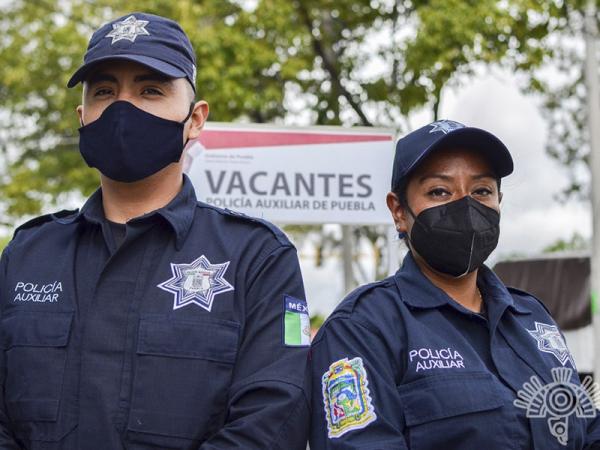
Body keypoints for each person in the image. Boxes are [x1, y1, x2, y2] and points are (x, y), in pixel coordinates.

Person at [0, 12, 310, 449]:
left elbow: (272, 421)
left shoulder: (257, 258)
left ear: (195, 119)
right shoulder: (28, 255)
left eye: (150, 90)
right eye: (104, 92)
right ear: (82, 116)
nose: (122, 108)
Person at [309, 119, 600, 449]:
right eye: (439, 191)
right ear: (399, 211)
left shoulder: (532, 318)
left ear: (499, 201)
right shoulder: (362, 329)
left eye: (482, 191)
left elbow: (585, 428)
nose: (466, 205)